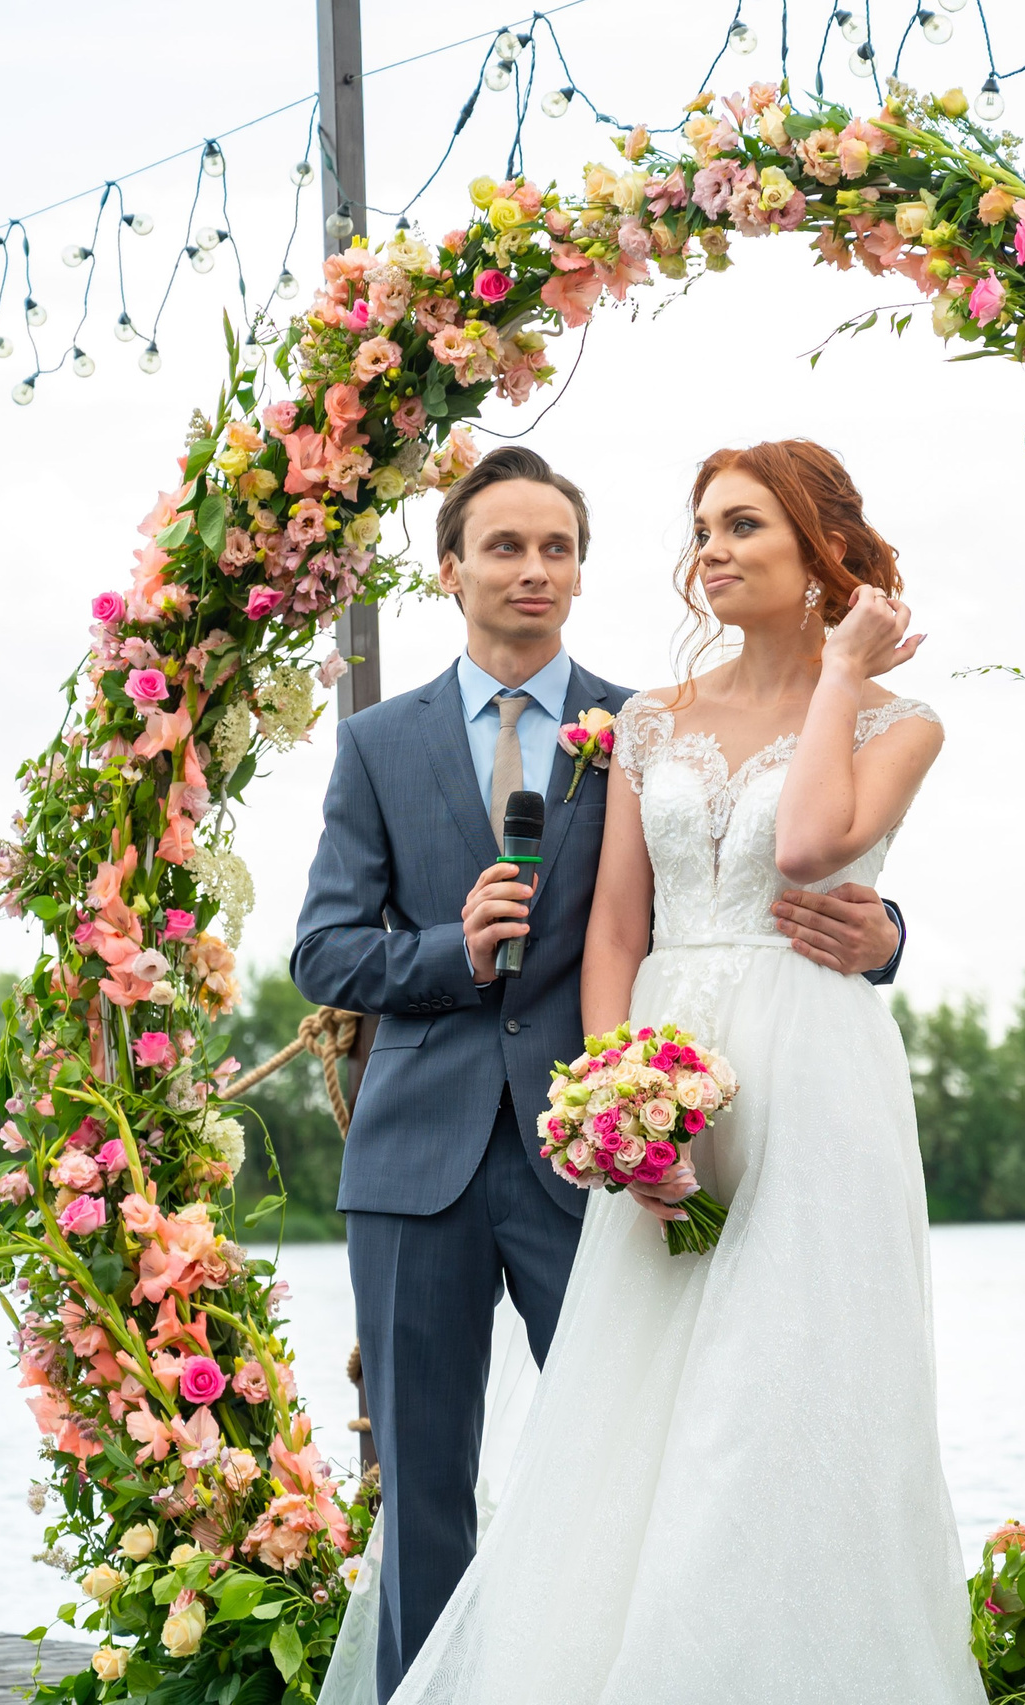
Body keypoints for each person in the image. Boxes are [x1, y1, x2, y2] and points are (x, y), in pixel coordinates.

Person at [290, 445, 912, 1702]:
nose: (534, 569)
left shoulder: (646, 724)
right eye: (505, 546)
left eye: (557, 547)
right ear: (449, 567)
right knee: (420, 1487)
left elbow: (754, 876)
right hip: (415, 1158)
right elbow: (323, 951)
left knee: (630, 1465)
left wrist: (888, 936)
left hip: (604, 1157)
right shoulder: (375, 744)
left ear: (582, 569)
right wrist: (448, 949)